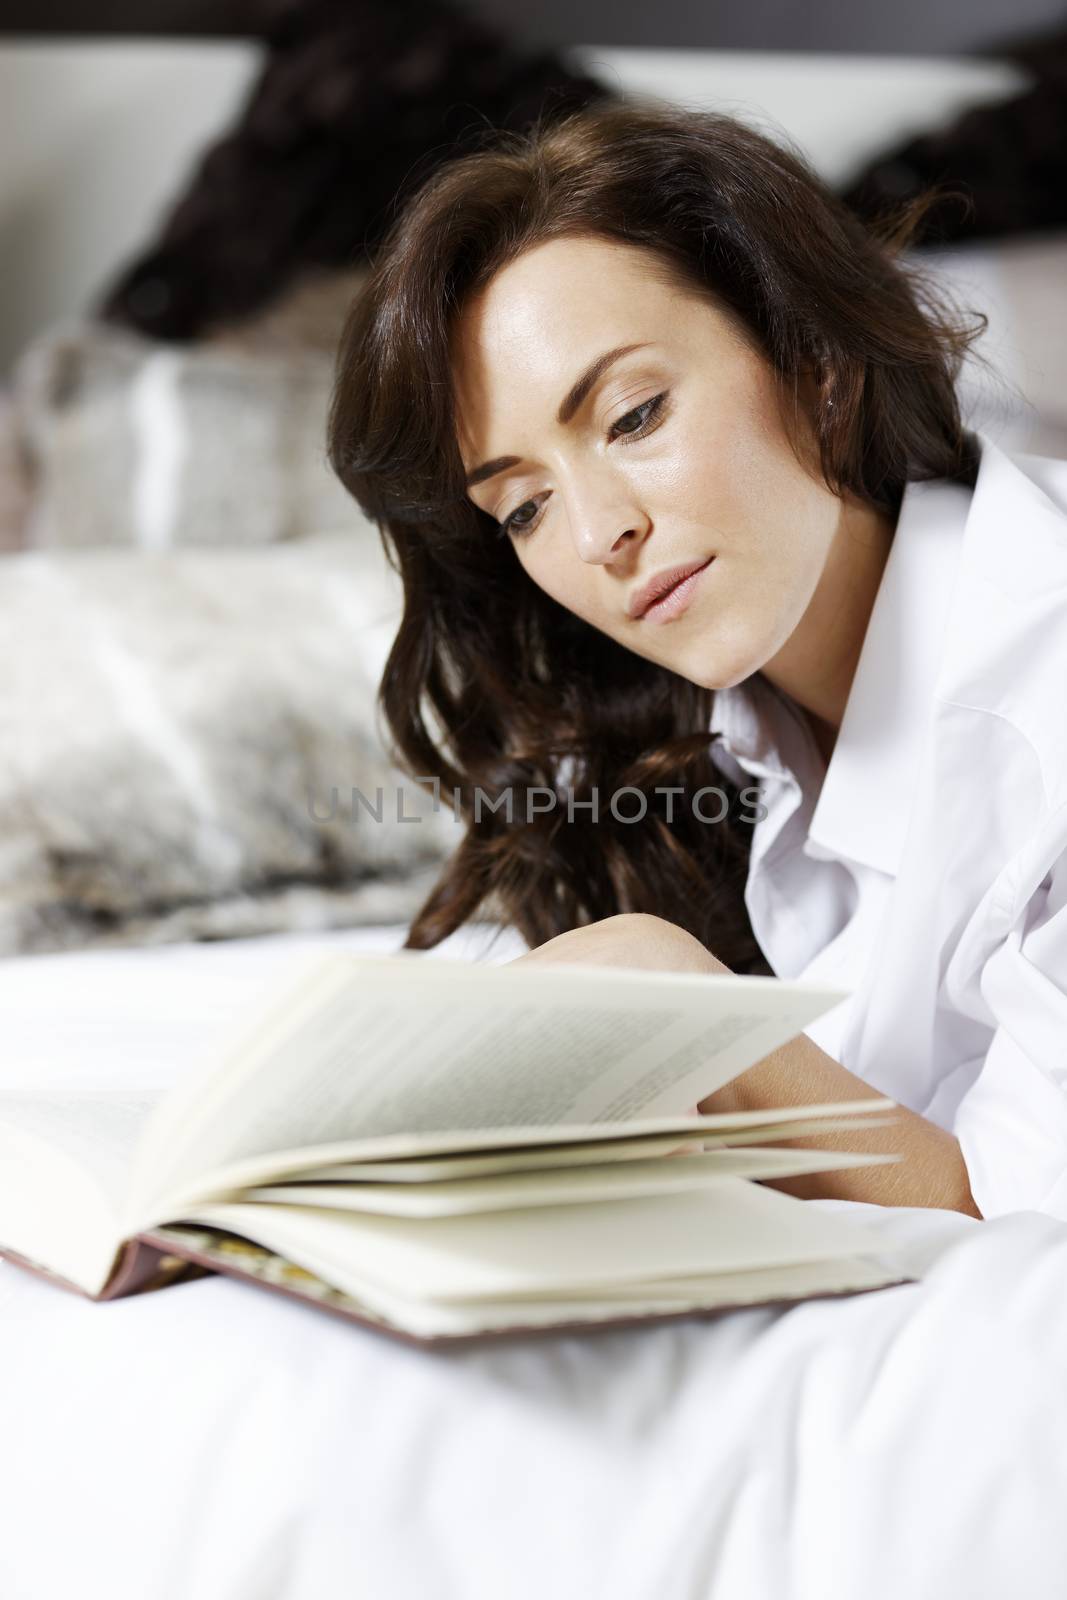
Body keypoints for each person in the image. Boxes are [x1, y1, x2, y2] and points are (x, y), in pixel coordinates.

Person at [327, 101, 1067, 1223]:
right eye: (522, 507)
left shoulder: (1039, 680)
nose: (593, 535)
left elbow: (1021, 1223)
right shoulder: (725, 747)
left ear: (813, 363)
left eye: (631, 417)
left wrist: (685, 1015)